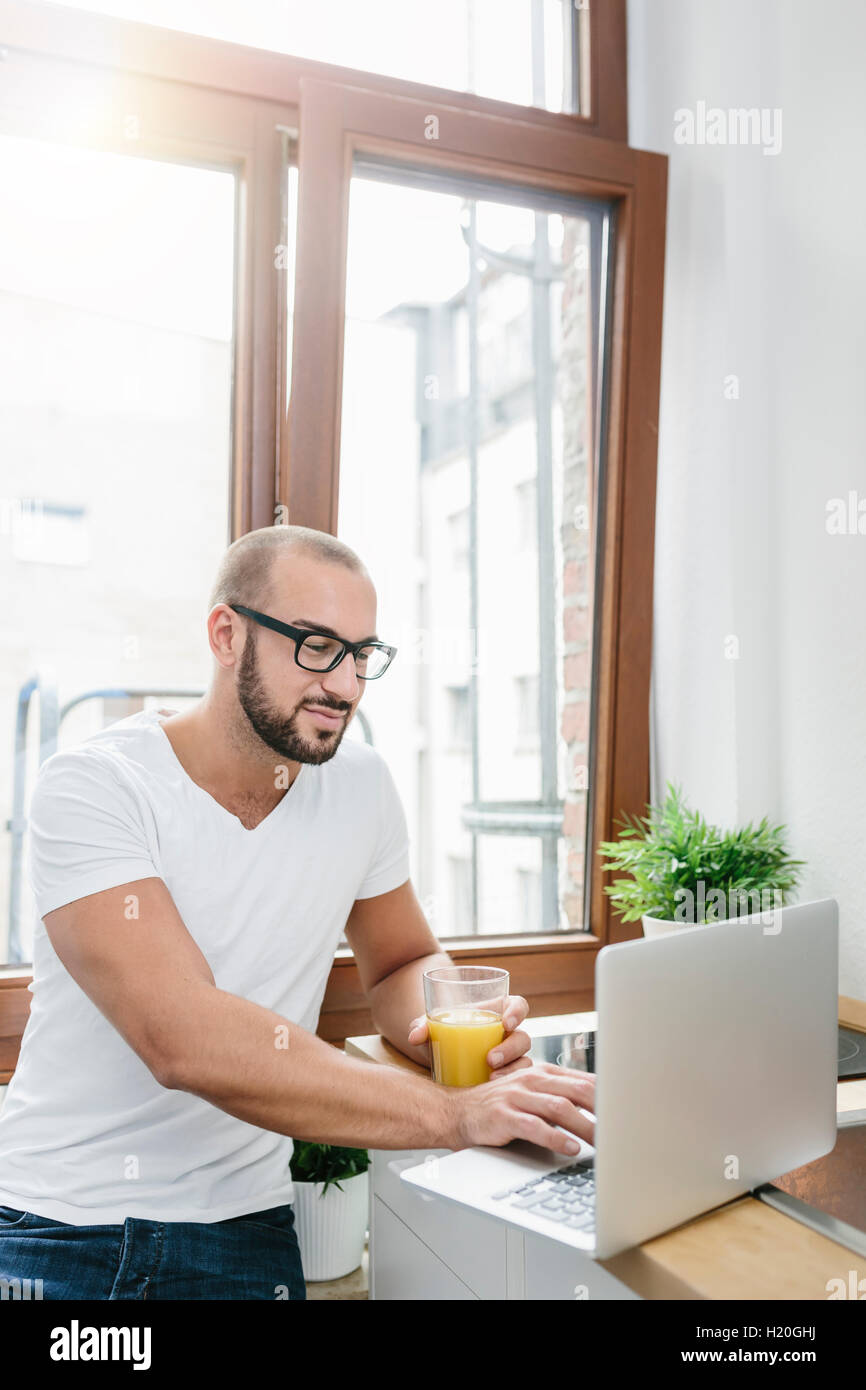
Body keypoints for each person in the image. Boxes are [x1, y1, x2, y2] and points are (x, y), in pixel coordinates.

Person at [0, 524, 596, 1300]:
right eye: (316, 646)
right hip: (63, 1226)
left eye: (361, 655)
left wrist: (451, 1027)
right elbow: (181, 1039)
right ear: (226, 635)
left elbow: (399, 960)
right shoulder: (95, 787)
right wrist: (458, 1115)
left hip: (248, 1225)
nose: (345, 685)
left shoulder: (361, 785)